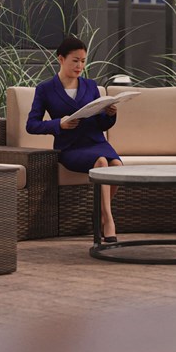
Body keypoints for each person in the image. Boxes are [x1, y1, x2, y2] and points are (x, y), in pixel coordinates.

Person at [26, 37, 123, 243]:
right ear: (61, 59)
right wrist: (57, 124)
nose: (80, 66)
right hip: (70, 147)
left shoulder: (90, 86)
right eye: (75, 60)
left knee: (116, 164)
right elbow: (32, 125)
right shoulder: (45, 89)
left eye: (83, 61)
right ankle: (107, 219)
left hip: (95, 141)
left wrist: (110, 113)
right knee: (102, 162)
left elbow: (101, 125)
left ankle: (97, 213)